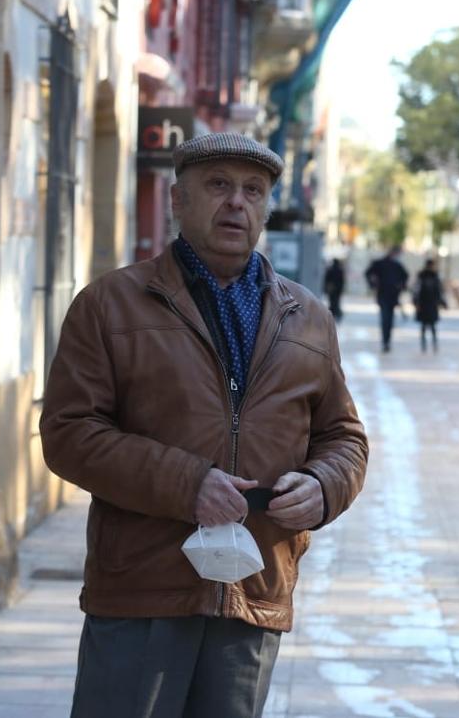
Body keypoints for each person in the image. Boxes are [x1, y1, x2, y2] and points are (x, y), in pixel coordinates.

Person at [39, 132, 369, 718]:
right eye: (217, 186)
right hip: (142, 587)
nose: (236, 203)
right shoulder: (110, 303)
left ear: (267, 207)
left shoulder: (308, 318)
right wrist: (188, 483)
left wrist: (323, 486)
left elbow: (343, 436)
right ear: (178, 201)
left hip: (255, 586)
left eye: (252, 191)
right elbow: (69, 432)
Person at [365, 246, 409, 352]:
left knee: (388, 319)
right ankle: (386, 341)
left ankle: (386, 341)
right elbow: (368, 273)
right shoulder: (383, 264)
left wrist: (401, 287)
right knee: (387, 318)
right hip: (385, 295)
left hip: (390, 295)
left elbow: (405, 276)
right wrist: (373, 285)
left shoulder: (395, 265)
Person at [414, 258, 447, 353]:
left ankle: (430, 344)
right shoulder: (427, 275)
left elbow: (439, 290)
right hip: (427, 304)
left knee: (428, 326)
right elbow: (417, 290)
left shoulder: (432, 275)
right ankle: (428, 344)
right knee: (428, 326)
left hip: (429, 304)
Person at [323, 257, 345, 321]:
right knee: (336, 302)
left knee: (332, 301)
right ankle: (336, 314)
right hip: (337, 289)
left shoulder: (330, 270)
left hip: (331, 289)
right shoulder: (340, 270)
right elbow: (342, 281)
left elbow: (326, 280)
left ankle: (332, 314)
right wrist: (341, 290)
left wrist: (326, 289)